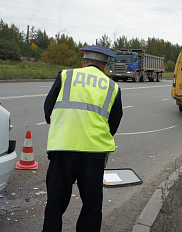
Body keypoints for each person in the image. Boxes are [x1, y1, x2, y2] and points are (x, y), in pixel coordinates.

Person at [42, 45, 123, 232]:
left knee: (54, 205)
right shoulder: (112, 86)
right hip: (93, 155)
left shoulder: (66, 76)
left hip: (62, 150)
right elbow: (114, 124)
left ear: (84, 63)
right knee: (92, 207)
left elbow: (48, 112)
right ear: (105, 67)